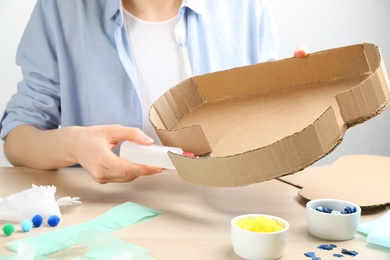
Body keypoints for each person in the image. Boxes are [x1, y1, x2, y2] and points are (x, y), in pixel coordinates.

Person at [0, 0, 308, 184]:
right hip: (106, 220)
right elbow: (17, 138)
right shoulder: (62, 9)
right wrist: (74, 144)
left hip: (225, 213)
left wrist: (294, 107)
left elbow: (267, 129)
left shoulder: (243, 7)